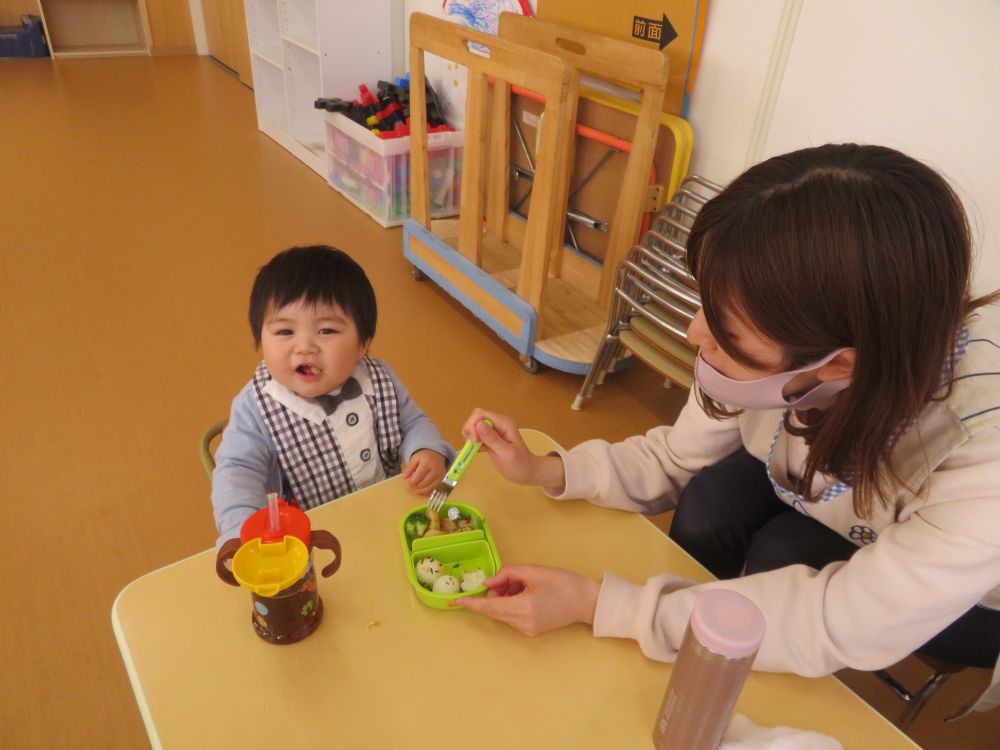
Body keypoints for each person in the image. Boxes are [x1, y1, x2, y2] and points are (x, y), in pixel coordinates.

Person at [455, 144, 1000, 690]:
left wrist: (603, 606)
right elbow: (675, 455)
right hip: (830, 472)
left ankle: (715, 652)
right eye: (706, 305)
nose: (696, 334)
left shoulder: (980, 457)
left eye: (728, 332)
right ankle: (690, 631)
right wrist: (546, 469)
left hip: (972, 595)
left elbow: (840, 621)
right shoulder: (797, 335)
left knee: (784, 552)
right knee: (711, 502)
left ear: (837, 364)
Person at [211, 245, 454, 547]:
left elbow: (412, 422)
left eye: (326, 331)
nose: (305, 347)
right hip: (307, 537)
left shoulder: (377, 379)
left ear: (362, 344)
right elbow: (238, 472)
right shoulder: (255, 407)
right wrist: (240, 530)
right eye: (285, 332)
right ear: (260, 336)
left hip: (385, 514)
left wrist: (426, 451)